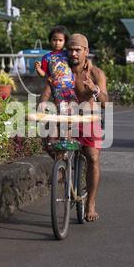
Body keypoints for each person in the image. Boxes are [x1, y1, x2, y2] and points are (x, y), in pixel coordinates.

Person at [39, 33, 109, 222]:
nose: (73, 53)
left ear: (86, 51)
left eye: (78, 50)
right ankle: (62, 171)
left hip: (88, 119)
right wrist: (41, 106)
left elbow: (105, 102)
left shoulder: (96, 73)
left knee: (93, 157)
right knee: (49, 142)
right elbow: (47, 92)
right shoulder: (61, 70)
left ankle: (91, 203)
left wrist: (94, 89)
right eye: (70, 49)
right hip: (66, 119)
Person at [35, 26, 78, 111]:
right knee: (61, 107)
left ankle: (71, 123)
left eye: (60, 40)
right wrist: (38, 68)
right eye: (54, 40)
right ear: (50, 41)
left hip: (70, 86)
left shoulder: (68, 54)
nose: (57, 43)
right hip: (56, 87)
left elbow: (77, 62)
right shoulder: (47, 57)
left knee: (74, 106)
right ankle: (58, 121)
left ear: (65, 41)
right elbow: (43, 74)